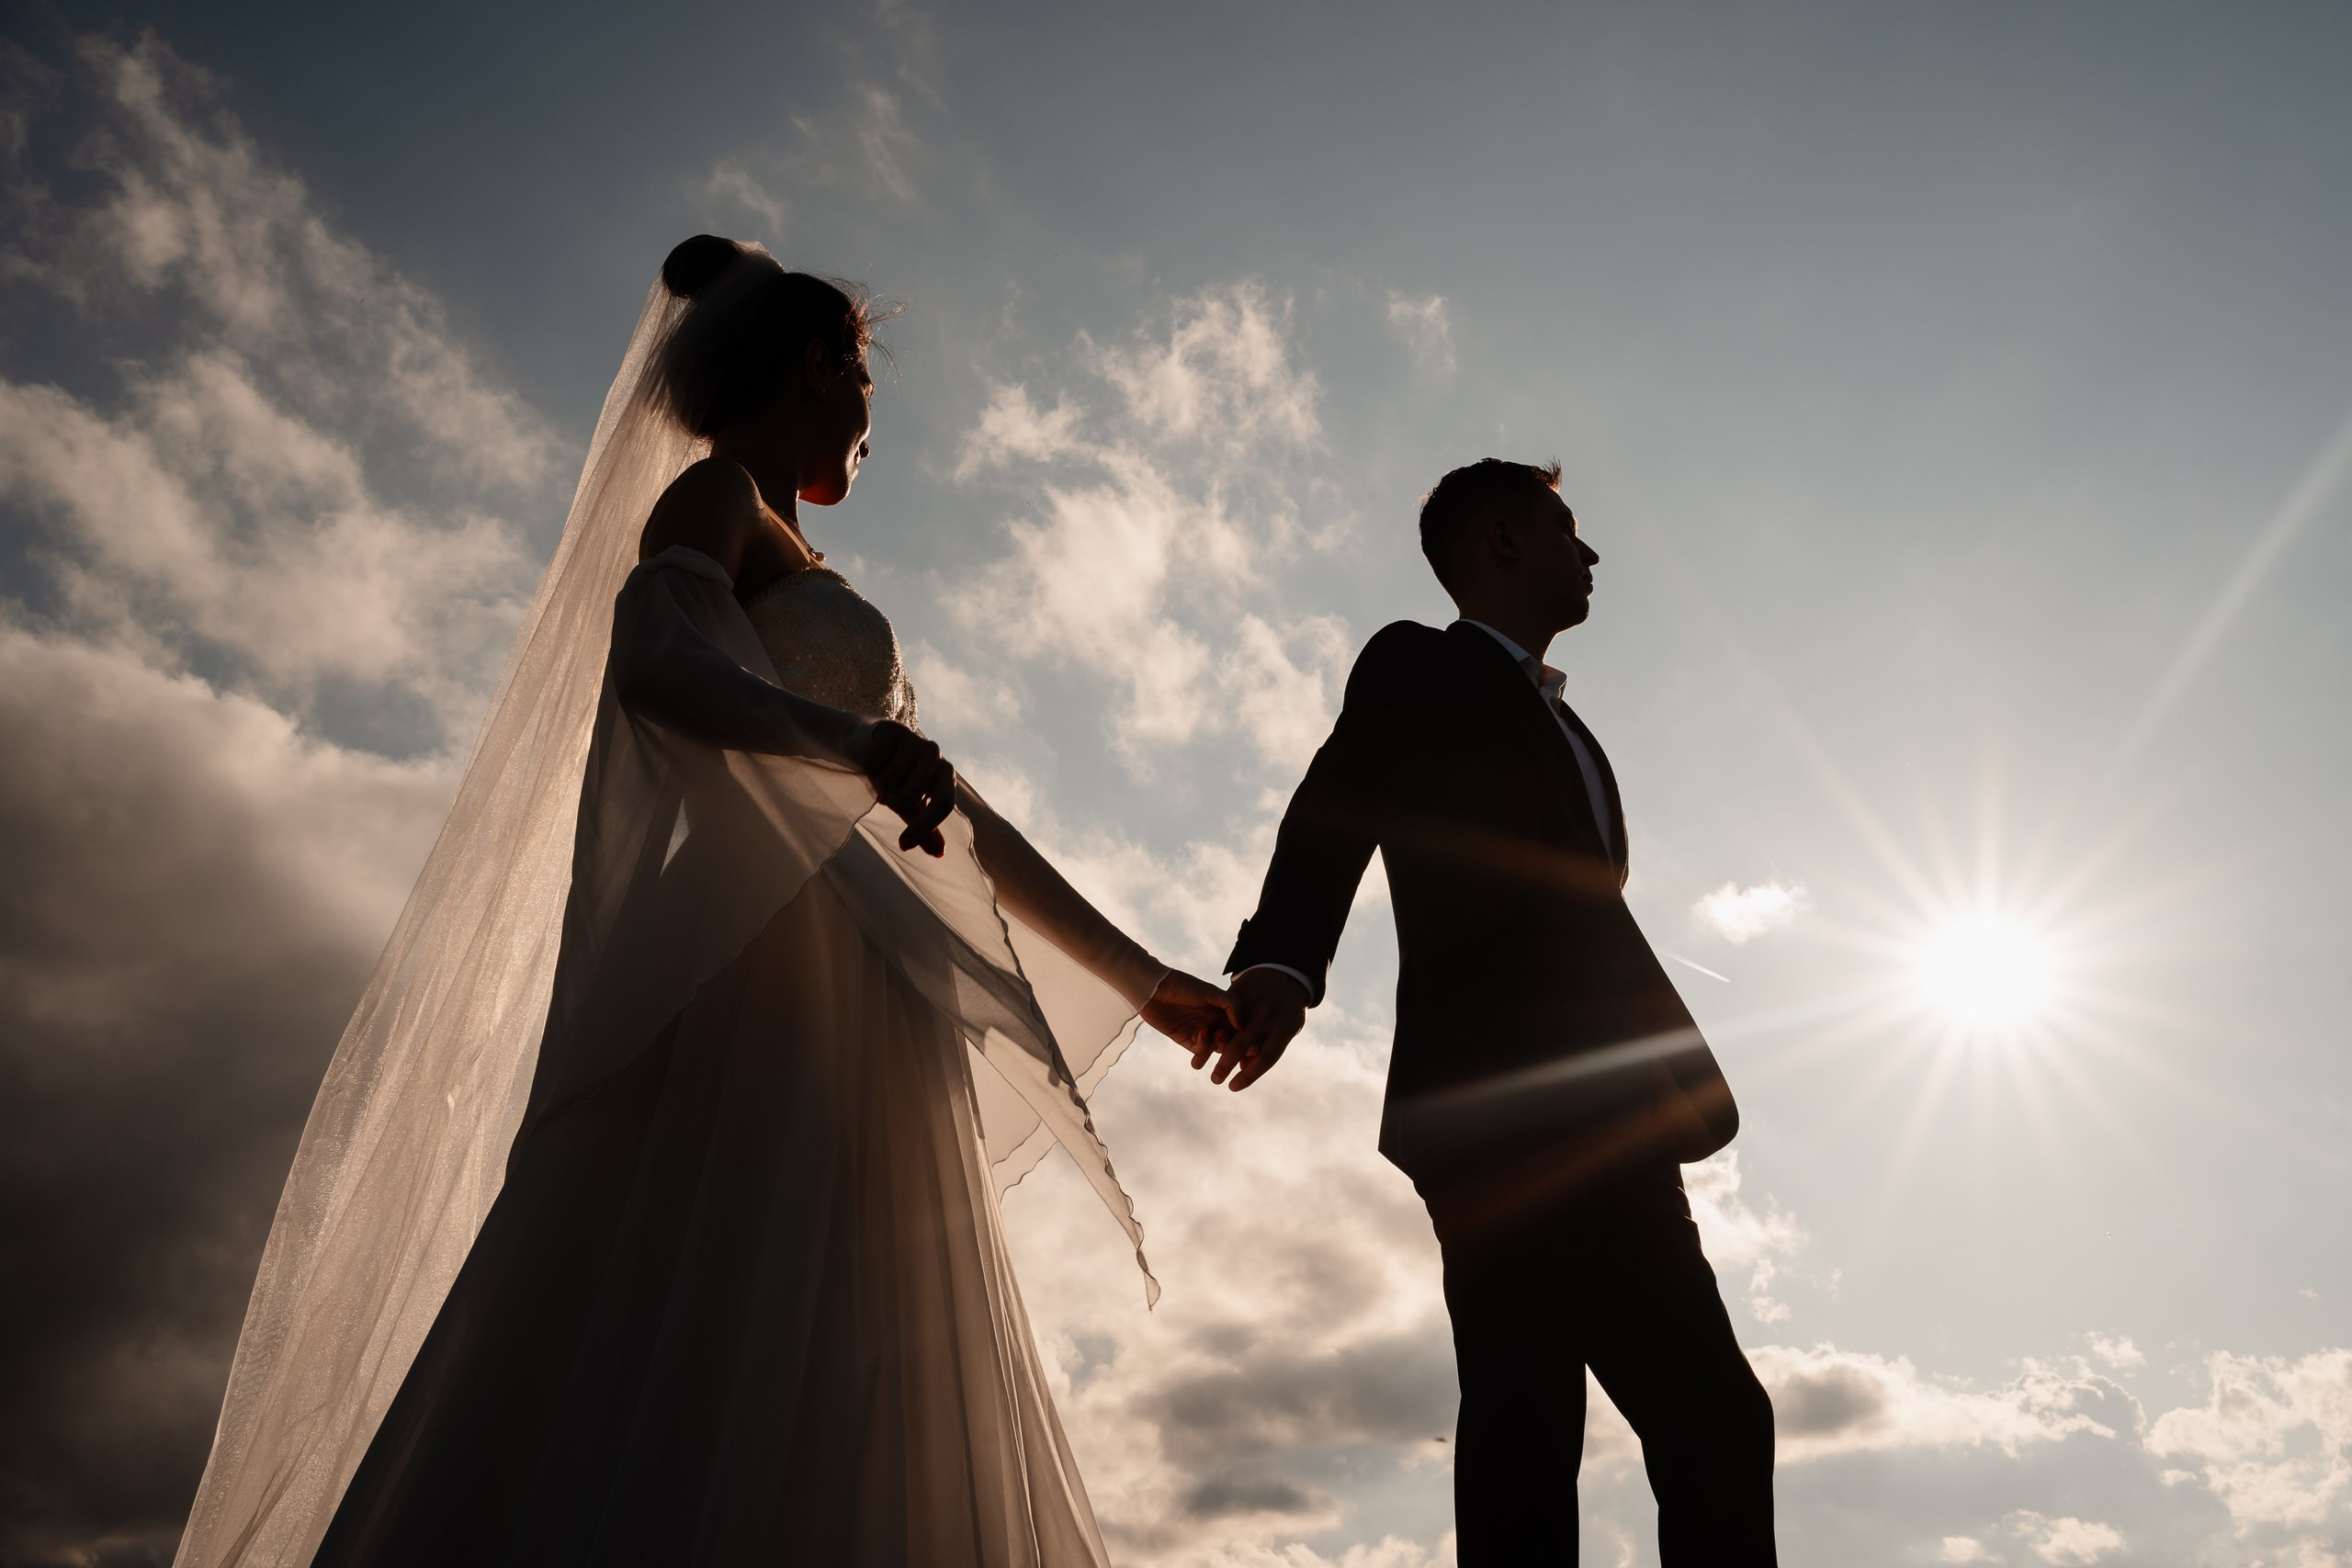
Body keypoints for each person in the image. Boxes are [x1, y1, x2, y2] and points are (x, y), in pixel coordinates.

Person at [173, 236, 1232, 1568]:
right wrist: (847, 745)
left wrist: (1149, 979)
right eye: (869, 390)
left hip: (871, 987)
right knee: (735, 1295)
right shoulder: (715, 497)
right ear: (818, 365)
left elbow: (961, 817)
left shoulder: (790, 550)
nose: (871, 427)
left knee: (850, 1331)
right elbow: (661, 666)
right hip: (770, 958)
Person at [1203, 459, 1777, 1564]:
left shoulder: (1580, 737)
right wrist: (1282, 962)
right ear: (1503, 543)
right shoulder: (1419, 663)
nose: (1592, 554)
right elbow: (1339, 797)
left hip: (1618, 1121)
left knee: (1717, 1418)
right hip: (1495, 1113)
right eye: (1569, 529)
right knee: (1527, 1425)